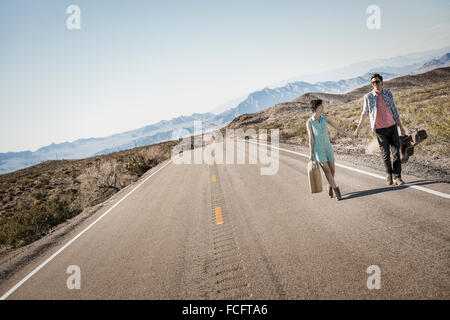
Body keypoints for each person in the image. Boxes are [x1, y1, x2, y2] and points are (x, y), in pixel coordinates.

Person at [354, 73, 406, 186]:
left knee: (396, 152)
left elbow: (394, 111)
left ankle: (398, 177)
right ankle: (389, 174)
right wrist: (357, 129)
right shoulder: (368, 97)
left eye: (377, 82)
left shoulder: (388, 94)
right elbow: (364, 114)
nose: (375, 84)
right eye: (373, 83)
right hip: (380, 130)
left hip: (392, 127)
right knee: (385, 154)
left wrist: (400, 127)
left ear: (381, 82)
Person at [306, 99, 354, 201]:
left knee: (332, 171)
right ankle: (337, 192)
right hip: (318, 150)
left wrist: (349, 135)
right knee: (327, 171)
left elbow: (338, 128)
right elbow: (311, 138)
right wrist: (311, 153)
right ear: (315, 108)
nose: (323, 107)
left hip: (328, 148)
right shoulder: (309, 122)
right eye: (321, 106)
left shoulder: (325, 118)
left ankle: (330, 185)